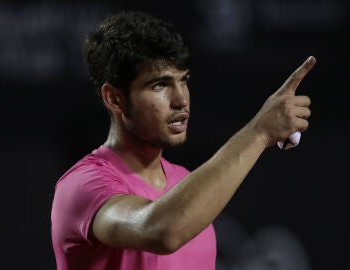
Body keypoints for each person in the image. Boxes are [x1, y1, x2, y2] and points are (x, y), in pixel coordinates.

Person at [51, 10, 316, 270]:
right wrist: (258, 132)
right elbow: (162, 230)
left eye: (183, 81)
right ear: (115, 98)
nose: (181, 100)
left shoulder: (184, 183)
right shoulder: (83, 186)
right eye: (160, 85)